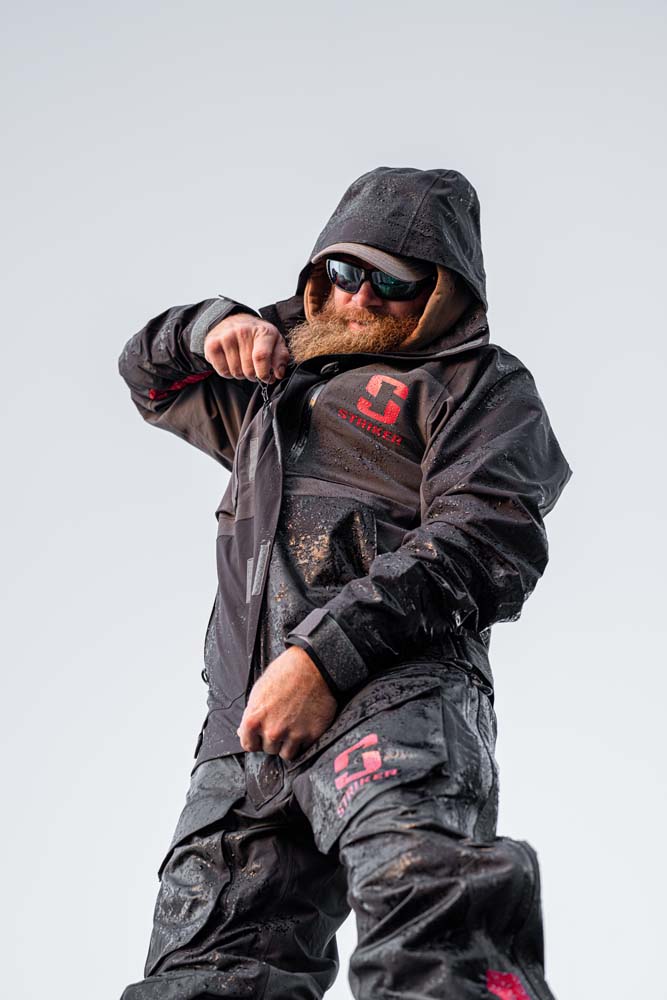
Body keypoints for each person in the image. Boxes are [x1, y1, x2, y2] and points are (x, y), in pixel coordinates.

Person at [118, 166, 572, 1000]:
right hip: (244, 733)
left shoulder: (477, 384)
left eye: (390, 281)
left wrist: (323, 659)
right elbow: (148, 376)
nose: (358, 296)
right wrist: (213, 325)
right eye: (341, 270)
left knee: (430, 940)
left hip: (392, 697)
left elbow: (488, 540)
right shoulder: (271, 386)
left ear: (440, 293)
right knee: (201, 979)